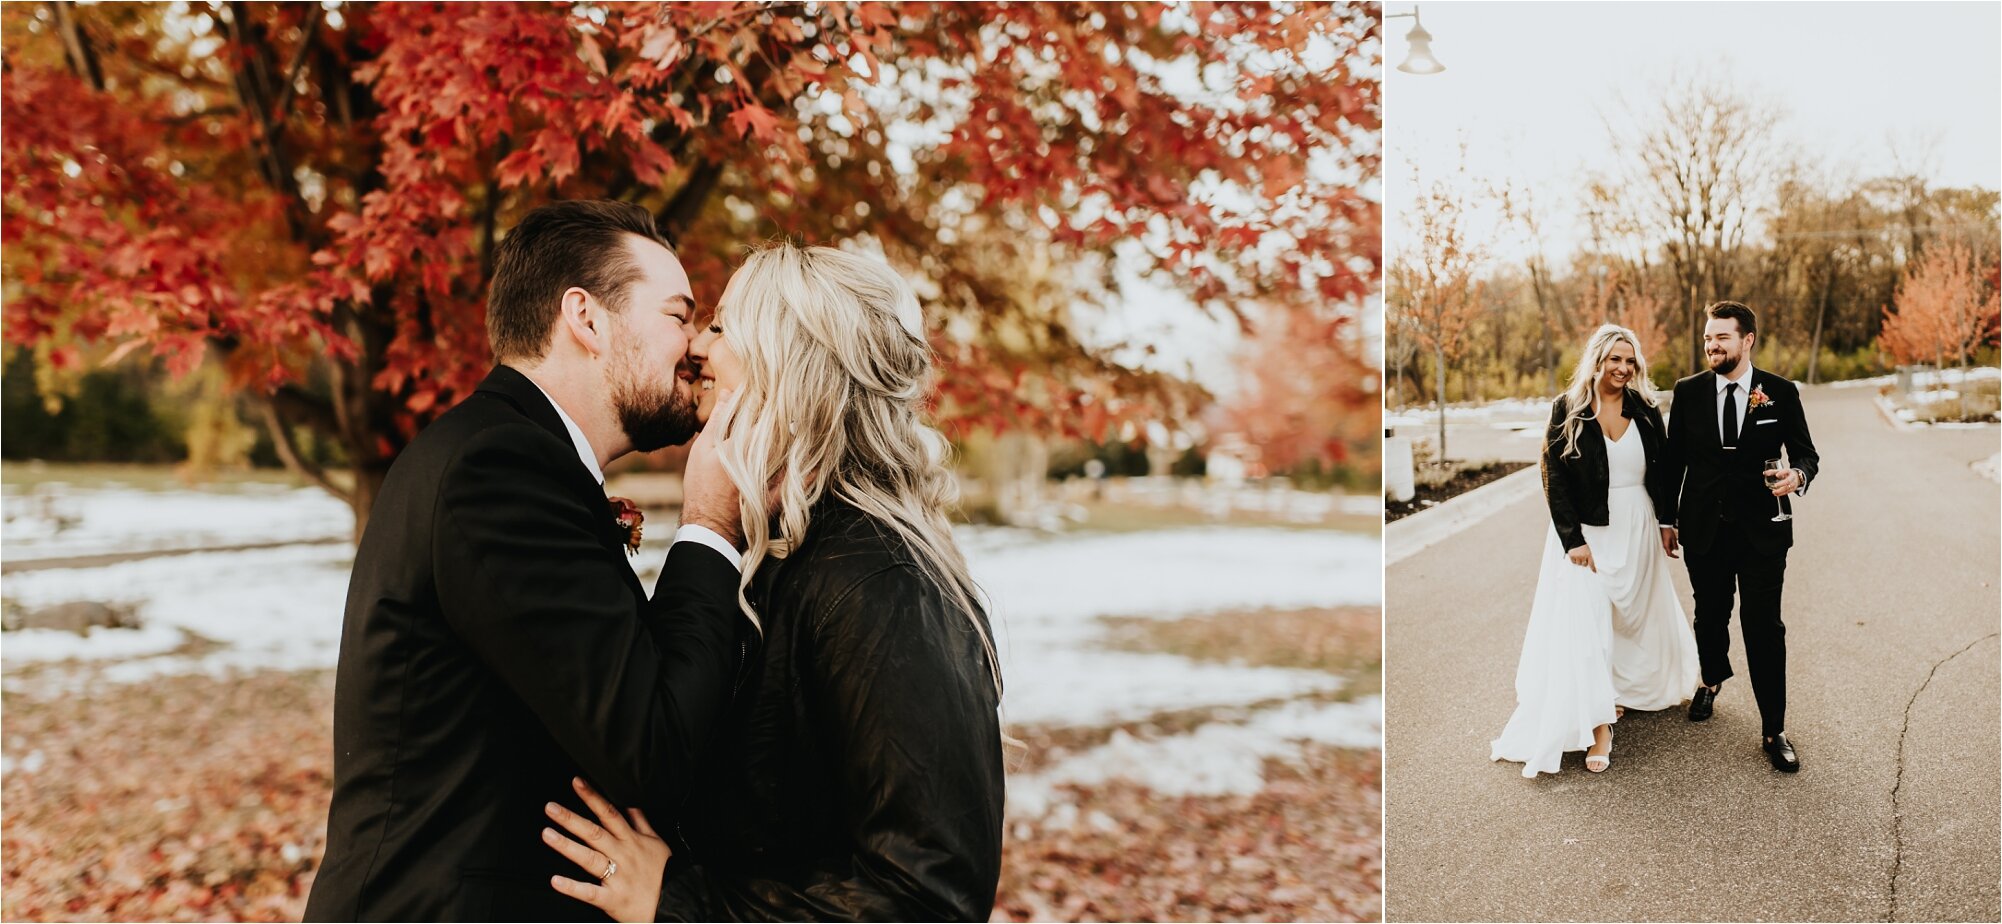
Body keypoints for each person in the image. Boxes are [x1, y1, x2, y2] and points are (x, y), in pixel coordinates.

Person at [306, 200, 754, 920]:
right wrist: (708, 524)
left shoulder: (517, 458)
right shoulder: (498, 469)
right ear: (586, 318)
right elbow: (651, 749)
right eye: (678, 316)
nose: (697, 346)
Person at [536, 243, 1007, 921]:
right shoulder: (784, 549)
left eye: (722, 327)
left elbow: (928, 897)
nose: (696, 345)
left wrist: (675, 904)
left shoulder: (880, 580)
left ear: (786, 362)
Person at [1491, 324, 1699, 777]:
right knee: (1586, 625)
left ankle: (1619, 690)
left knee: (1632, 615)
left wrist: (1668, 521)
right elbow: (1554, 479)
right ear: (1598, 361)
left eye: (1630, 361)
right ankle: (1600, 723)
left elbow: (1661, 470)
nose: (1623, 368)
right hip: (1589, 532)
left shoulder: (1645, 409)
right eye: (1615, 360)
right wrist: (1574, 541)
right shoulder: (1568, 410)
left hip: (1639, 523)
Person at [1661, 300, 1820, 772]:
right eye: (1708, 338)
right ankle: (1711, 679)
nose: (1712, 345)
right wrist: (1667, 520)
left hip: (1764, 531)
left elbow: (1808, 455)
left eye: (1721, 337)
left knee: (1764, 627)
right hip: (1704, 529)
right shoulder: (1687, 393)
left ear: (1747, 340)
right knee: (1710, 616)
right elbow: (1673, 464)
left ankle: (1775, 729)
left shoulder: (1780, 392)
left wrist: (1798, 477)